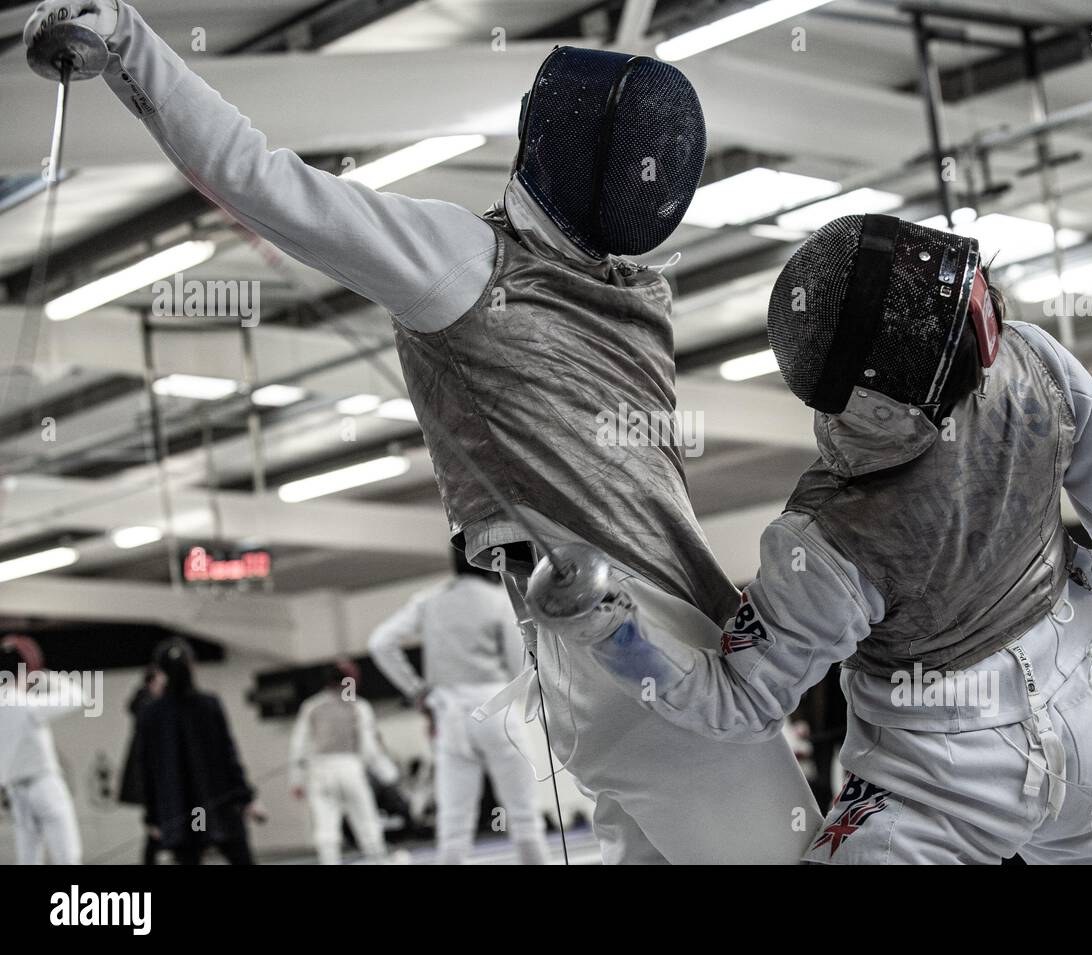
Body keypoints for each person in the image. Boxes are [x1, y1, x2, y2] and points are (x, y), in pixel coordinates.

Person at [23, 1, 821, 863]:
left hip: (601, 652)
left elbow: (260, 176)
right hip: (641, 643)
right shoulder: (490, 267)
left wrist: (127, 45)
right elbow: (257, 179)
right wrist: (127, 44)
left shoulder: (594, 283)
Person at [534, 214, 1092, 864]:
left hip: (945, 777)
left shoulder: (824, 534)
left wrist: (614, 636)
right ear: (900, 364)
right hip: (1054, 746)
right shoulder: (1028, 365)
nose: (982, 310)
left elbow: (736, 702)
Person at [369, 551, 546, 865]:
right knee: (523, 813)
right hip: (494, 705)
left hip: (448, 711)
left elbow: (380, 642)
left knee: (453, 823)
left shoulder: (429, 600)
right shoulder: (497, 599)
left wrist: (416, 690)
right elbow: (516, 662)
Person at [137, 638, 264, 865]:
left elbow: (147, 771)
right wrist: (246, 797)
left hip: (182, 811)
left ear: (160, 670)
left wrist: (152, 817)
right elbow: (229, 755)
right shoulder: (208, 704)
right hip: (218, 807)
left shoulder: (151, 713)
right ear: (192, 665)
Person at [289, 659, 398, 865]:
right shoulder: (358, 706)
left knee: (325, 826)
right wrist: (389, 775)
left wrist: (296, 780)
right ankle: (378, 860)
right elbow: (369, 749)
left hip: (318, 771)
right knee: (366, 821)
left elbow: (299, 747)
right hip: (349, 768)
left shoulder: (311, 706)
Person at [0, 635, 83, 864]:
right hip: (44, 786)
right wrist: (44, 674)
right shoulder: (24, 705)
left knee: (28, 859)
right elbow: (78, 697)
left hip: (16, 792)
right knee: (67, 856)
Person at [118, 663, 166, 864]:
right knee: (156, 826)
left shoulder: (148, 704)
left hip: (155, 776)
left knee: (159, 826)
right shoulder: (148, 706)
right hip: (153, 776)